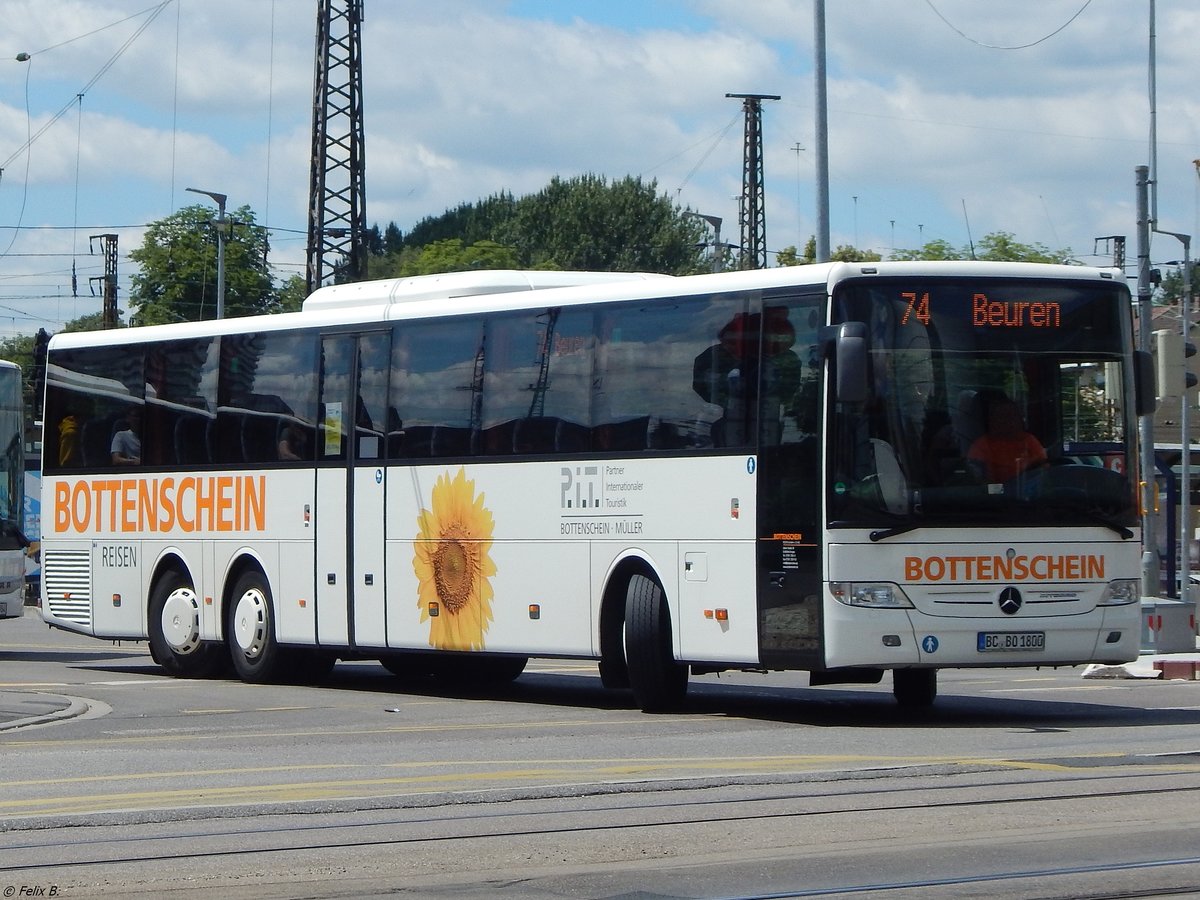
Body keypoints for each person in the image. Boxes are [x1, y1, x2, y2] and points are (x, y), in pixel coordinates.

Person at [967, 395, 1045, 482]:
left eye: (1013, 416)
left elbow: (1043, 471)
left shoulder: (1029, 441)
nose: (1009, 421)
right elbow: (978, 480)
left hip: (1026, 490)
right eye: (1002, 416)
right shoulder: (981, 446)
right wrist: (1002, 490)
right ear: (992, 420)